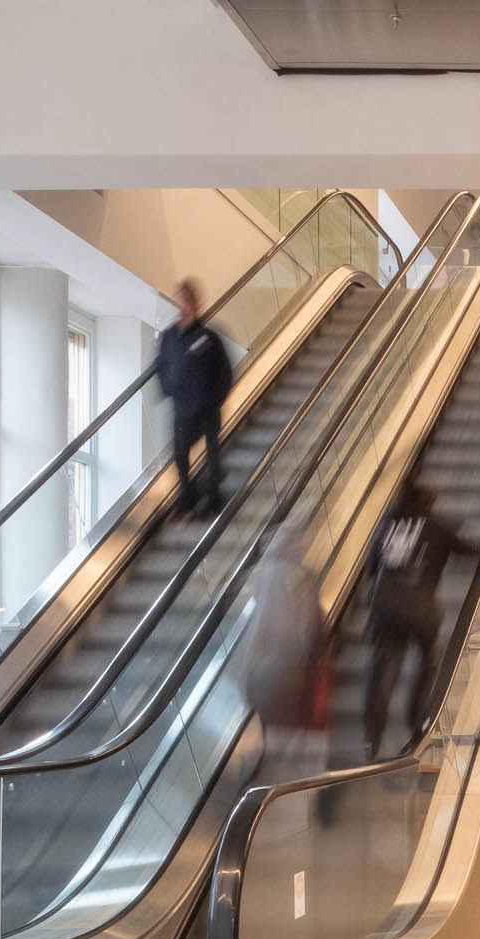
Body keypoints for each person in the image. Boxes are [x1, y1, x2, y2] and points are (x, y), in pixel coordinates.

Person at [363, 481, 477, 760]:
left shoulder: (386, 526)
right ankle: (417, 722)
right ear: (427, 503)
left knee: (384, 671)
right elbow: (466, 551)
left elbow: (371, 569)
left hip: (384, 610)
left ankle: (371, 738)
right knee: (427, 660)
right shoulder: (433, 524)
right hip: (419, 610)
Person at [242, 518, 333, 780]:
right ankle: (304, 786)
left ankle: (269, 778)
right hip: (289, 670)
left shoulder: (259, 574)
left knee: (273, 729)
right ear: (295, 547)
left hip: (255, 670)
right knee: (304, 732)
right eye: (304, 544)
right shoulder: (302, 578)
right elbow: (314, 630)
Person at [153, 278, 232, 520]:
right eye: (182, 299)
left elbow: (224, 372)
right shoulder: (169, 338)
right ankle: (187, 501)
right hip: (182, 409)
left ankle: (214, 500)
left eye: (189, 300)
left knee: (212, 453)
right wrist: (169, 389)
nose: (185, 305)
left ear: (197, 304)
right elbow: (161, 366)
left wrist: (214, 399)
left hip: (207, 409)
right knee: (179, 455)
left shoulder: (209, 338)